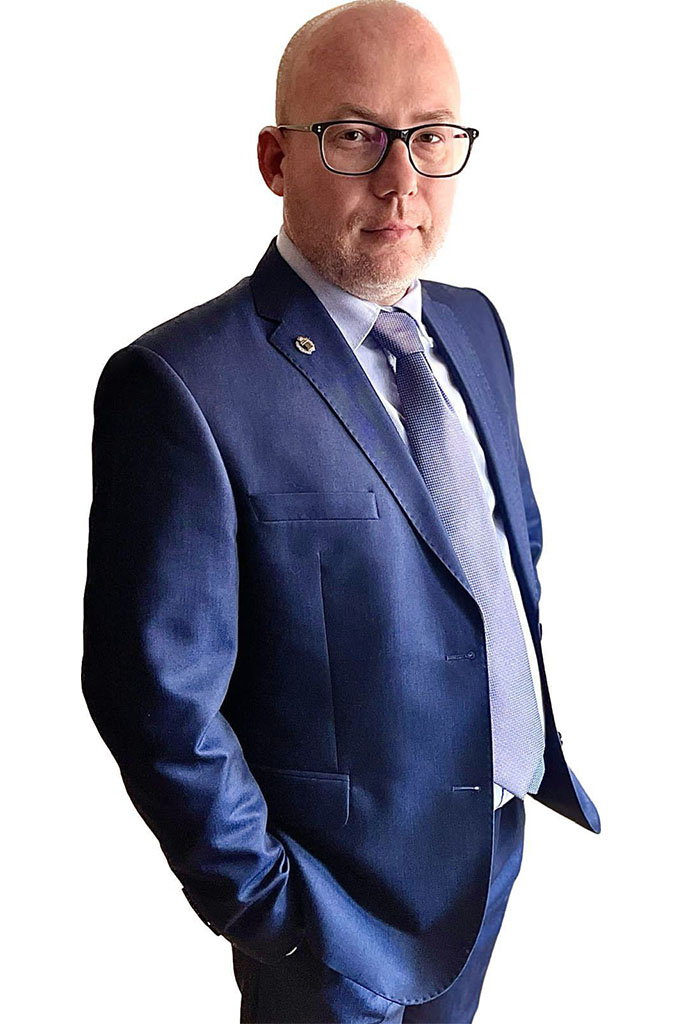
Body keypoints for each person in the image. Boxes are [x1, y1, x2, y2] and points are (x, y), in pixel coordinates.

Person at [81, 1, 601, 1020]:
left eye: (431, 136)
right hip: (328, 909)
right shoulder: (183, 385)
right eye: (356, 135)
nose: (402, 180)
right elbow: (153, 695)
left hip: (487, 848)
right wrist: (272, 909)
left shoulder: (474, 326)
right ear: (276, 159)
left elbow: (504, 545)